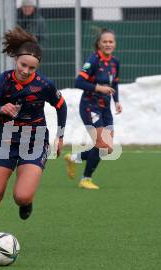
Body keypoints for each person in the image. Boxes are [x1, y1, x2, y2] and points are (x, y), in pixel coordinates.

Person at [0, 26, 67, 251]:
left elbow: (61, 105)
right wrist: (1, 108)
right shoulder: (3, 81)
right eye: (23, 65)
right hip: (6, 141)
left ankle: (26, 203)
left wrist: (60, 135)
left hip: (35, 141)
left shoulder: (44, 85)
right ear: (16, 60)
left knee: (21, 196)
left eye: (32, 68)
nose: (26, 71)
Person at [65, 28, 122, 190]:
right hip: (90, 106)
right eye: (105, 41)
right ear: (99, 43)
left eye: (111, 41)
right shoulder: (93, 60)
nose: (108, 44)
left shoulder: (115, 62)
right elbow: (79, 82)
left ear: (115, 44)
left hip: (105, 108)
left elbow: (114, 83)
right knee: (102, 144)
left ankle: (74, 158)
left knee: (108, 149)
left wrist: (116, 101)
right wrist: (98, 88)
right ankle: (85, 179)